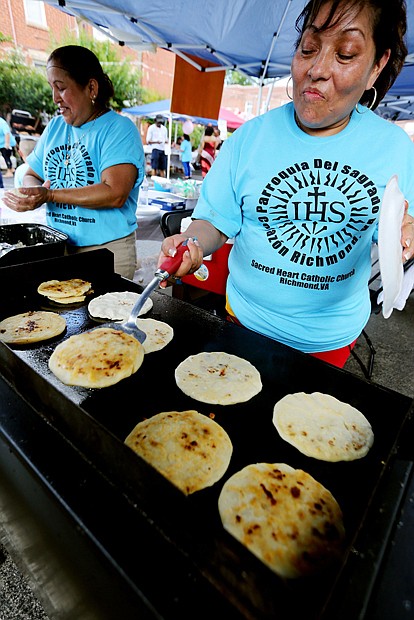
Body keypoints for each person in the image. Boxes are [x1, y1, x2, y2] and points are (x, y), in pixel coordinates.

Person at [158, 0, 414, 369]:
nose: (317, 69)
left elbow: (397, 226)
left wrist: (405, 233)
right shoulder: (250, 138)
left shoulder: (393, 148)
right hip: (242, 324)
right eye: (308, 48)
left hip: (329, 341)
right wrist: (191, 242)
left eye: (345, 54)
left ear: (376, 66)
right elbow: (215, 221)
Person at [3, 45, 145, 280]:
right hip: (59, 247)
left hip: (106, 251)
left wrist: (49, 196)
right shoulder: (56, 127)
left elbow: (115, 193)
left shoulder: (119, 129)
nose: (55, 98)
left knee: (106, 315)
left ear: (91, 87)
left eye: (61, 88)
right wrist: (31, 192)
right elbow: (33, 173)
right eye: (52, 88)